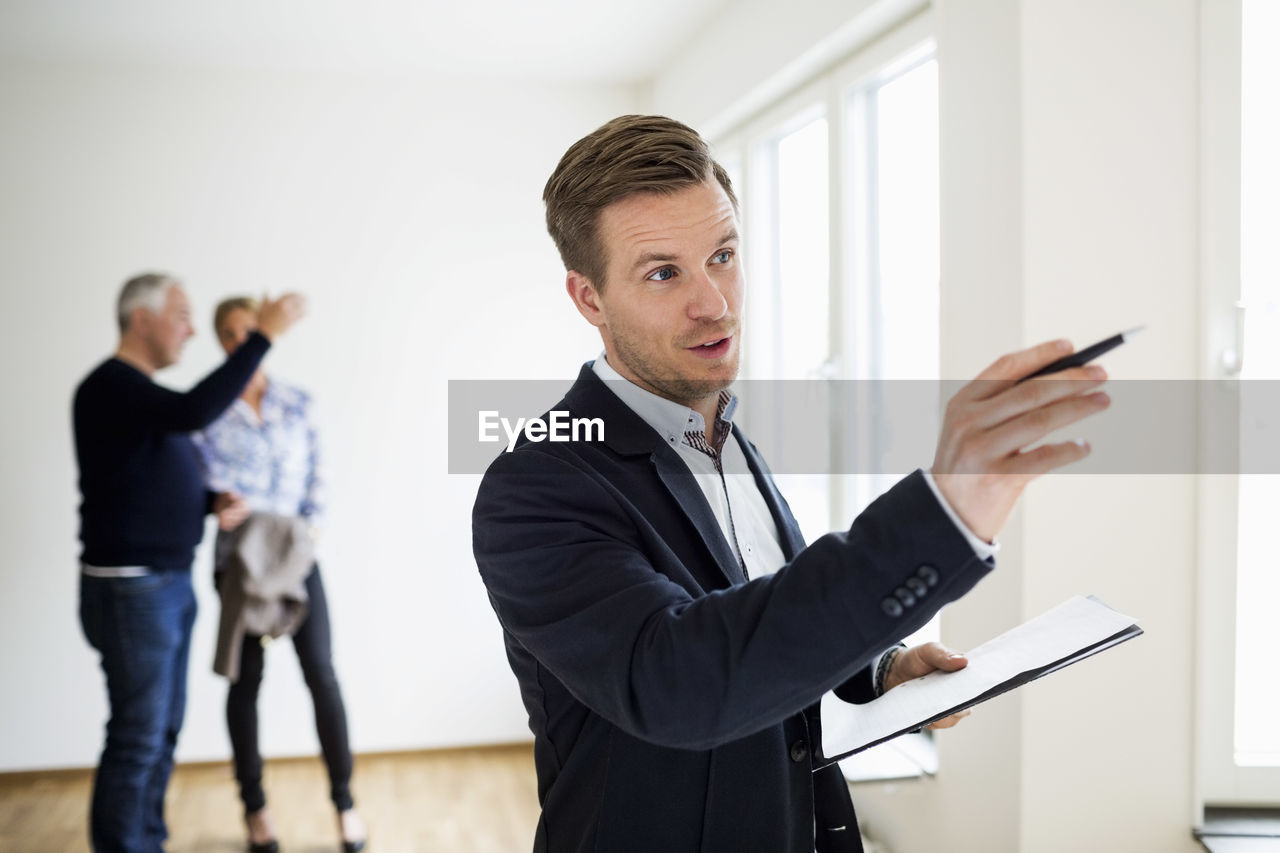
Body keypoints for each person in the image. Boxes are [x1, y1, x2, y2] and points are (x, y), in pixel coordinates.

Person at [471, 115, 1112, 852]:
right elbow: (681, 679)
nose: (713, 301)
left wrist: (879, 666)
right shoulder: (535, 485)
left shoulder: (727, 437)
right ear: (589, 299)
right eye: (663, 272)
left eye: (723, 254)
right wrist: (942, 511)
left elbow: (765, 614)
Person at [75, 273, 304, 853]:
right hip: (134, 590)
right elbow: (194, 411)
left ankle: (146, 841)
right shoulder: (112, 385)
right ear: (140, 319)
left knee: (160, 732)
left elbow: (139, 481)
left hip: (164, 585)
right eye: (180, 314)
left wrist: (208, 503)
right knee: (138, 736)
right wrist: (264, 335)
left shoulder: (140, 396)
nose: (189, 328)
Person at [194, 297, 367, 853]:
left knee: (322, 673)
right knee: (245, 685)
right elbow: (197, 486)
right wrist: (213, 502)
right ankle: (256, 812)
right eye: (228, 333)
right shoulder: (206, 409)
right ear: (219, 341)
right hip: (240, 562)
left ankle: (345, 804)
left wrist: (307, 537)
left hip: (296, 555)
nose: (239, 340)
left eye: (249, 329)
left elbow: (321, 475)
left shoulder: (297, 403)